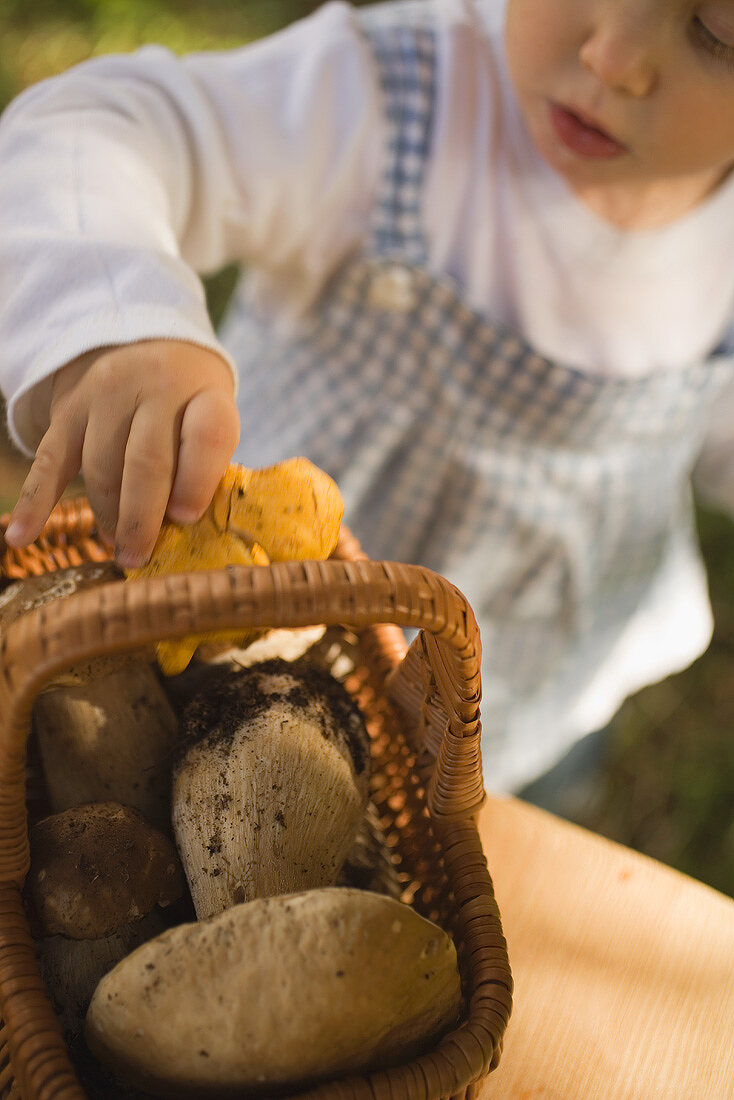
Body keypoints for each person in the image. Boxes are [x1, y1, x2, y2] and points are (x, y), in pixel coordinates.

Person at [1, 0, 733, 803]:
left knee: (493, 805)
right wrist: (115, 316)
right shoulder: (391, 102)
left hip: (536, 678)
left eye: (720, 30)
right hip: (251, 654)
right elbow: (91, 131)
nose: (614, 56)